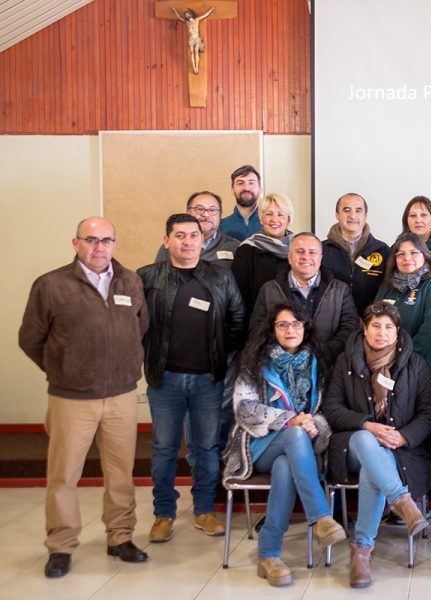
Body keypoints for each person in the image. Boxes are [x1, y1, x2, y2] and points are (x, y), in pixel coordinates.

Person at [19, 217, 150, 578]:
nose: (99, 247)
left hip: (121, 395)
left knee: (121, 472)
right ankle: (61, 545)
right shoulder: (52, 285)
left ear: (114, 244)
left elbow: (141, 328)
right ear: (75, 243)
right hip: (71, 398)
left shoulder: (130, 281)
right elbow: (31, 338)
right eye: (91, 240)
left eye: (106, 240)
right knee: (63, 475)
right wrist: (62, 369)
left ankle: (120, 536)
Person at [138, 213, 245, 543]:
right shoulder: (147, 277)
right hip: (165, 379)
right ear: (166, 240)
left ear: (203, 240)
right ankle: (164, 514)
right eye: (180, 236)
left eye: (193, 235)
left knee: (207, 448)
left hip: (207, 380)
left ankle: (204, 510)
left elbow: (237, 320)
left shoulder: (220, 277)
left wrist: (216, 353)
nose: (187, 242)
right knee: (164, 448)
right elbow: (134, 324)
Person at [223, 303, 346, 587]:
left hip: (301, 446)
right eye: (283, 325)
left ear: (306, 329)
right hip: (256, 446)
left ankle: (269, 555)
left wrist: (314, 423)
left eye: (297, 324)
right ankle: (320, 516)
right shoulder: (255, 362)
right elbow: (244, 408)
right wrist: (290, 420)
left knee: (285, 467)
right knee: (293, 436)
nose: (291, 330)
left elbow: (328, 407)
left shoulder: (319, 363)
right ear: (272, 330)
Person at [322, 301, 431, 589]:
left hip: (401, 450)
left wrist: (404, 436)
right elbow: (332, 408)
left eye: (389, 327)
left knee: (371, 471)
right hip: (351, 447)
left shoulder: (415, 363)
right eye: (375, 326)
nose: (381, 333)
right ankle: (401, 501)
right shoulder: (345, 361)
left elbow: (429, 411)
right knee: (366, 439)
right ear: (364, 328)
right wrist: (367, 423)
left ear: (398, 332)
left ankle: (362, 550)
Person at [249, 233, 358, 368]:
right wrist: (284, 355)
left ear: (320, 258)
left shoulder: (340, 290)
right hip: (279, 369)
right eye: (299, 251)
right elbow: (257, 330)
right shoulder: (269, 289)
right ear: (289, 257)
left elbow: (350, 328)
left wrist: (321, 354)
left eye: (312, 252)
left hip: (327, 367)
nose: (306, 257)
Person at [375, 233, 431, 382]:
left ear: (425, 256)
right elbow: (373, 319)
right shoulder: (387, 286)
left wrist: (402, 357)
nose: (407, 258)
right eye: (401, 254)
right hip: (384, 362)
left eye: (414, 252)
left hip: (419, 364)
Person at [321, 193, 391, 316]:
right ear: (337, 215)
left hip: (371, 323)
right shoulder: (321, 249)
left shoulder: (382, 250)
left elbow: (388, 290)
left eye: (358, 210)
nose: (352, 215)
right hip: (332, 323)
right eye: (346, 210)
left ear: (365, 215)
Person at [232, 192, 294, 315]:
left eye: (280, 214)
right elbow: (239, 295)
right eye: (268, 214)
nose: (274, 219)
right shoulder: (246, 250)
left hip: (293, 323)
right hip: (259, 320)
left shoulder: (298, 248)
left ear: (288, 220)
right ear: (261, 218)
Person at [155, 191, 239, 265]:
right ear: (188, 213)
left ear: (220, 215)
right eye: (199, 209)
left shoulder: (235, 247)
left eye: (212, 210)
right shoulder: (172, 244)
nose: (206, 214)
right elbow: (158, 277)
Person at [220, 165, 263, 241]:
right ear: (232, 190)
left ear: (260, 189)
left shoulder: (271, 225)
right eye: (240, 183)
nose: (246, 188)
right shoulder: (220, 226)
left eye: (251, 183)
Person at [171, 7, 215, 74]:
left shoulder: (196, 20)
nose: (186, 16)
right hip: (191, 39)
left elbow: (205, 15)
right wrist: (174, 10)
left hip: (196, 38)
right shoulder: (187, 22)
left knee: (196, 52)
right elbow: (179, 17)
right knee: (192, 53)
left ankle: (196, 67)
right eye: (185, 15)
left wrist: (211, 10)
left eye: (187, 14)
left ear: (190, 14)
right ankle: (194, 67)